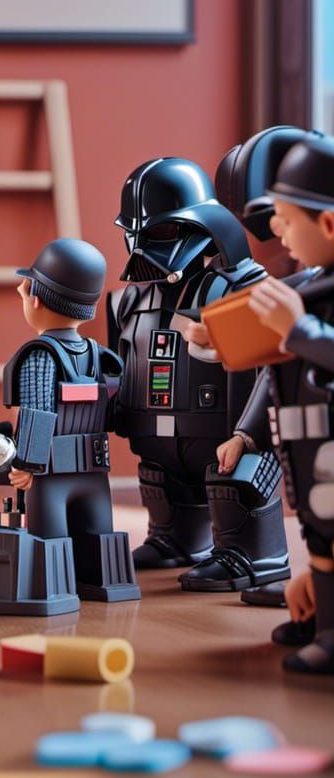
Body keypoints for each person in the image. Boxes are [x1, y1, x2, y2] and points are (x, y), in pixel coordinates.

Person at [108, 158, 289, 592]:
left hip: (225, 433)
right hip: (161, 433)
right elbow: (119, 364)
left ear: (204, 225)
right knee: (159, 470)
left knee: (235, 474)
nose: (145, 246)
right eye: (138, 232)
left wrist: (249, 433)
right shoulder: (129, 301)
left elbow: (269, 372)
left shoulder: (242, 289)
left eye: (162, 231)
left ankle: (250, 552)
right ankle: (174, 538)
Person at [218, 134, 334, 673]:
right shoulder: (311, 291)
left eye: (285, 220)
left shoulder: (308, 308)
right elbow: (273, 365)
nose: (277, 233)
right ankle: (322, 618)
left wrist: (300, 330)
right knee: (320, 533)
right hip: (310, 447)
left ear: (327, 224)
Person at [6, 238, 139, 603]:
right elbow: (119, 410)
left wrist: (26, 463)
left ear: (36, 300)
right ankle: (108, 585)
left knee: (49, 541)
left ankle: (53, 593)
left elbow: (37, 411)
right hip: (94, 470)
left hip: (49, 473)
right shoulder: (102, 358)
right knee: (99, 537)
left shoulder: (39, 356)